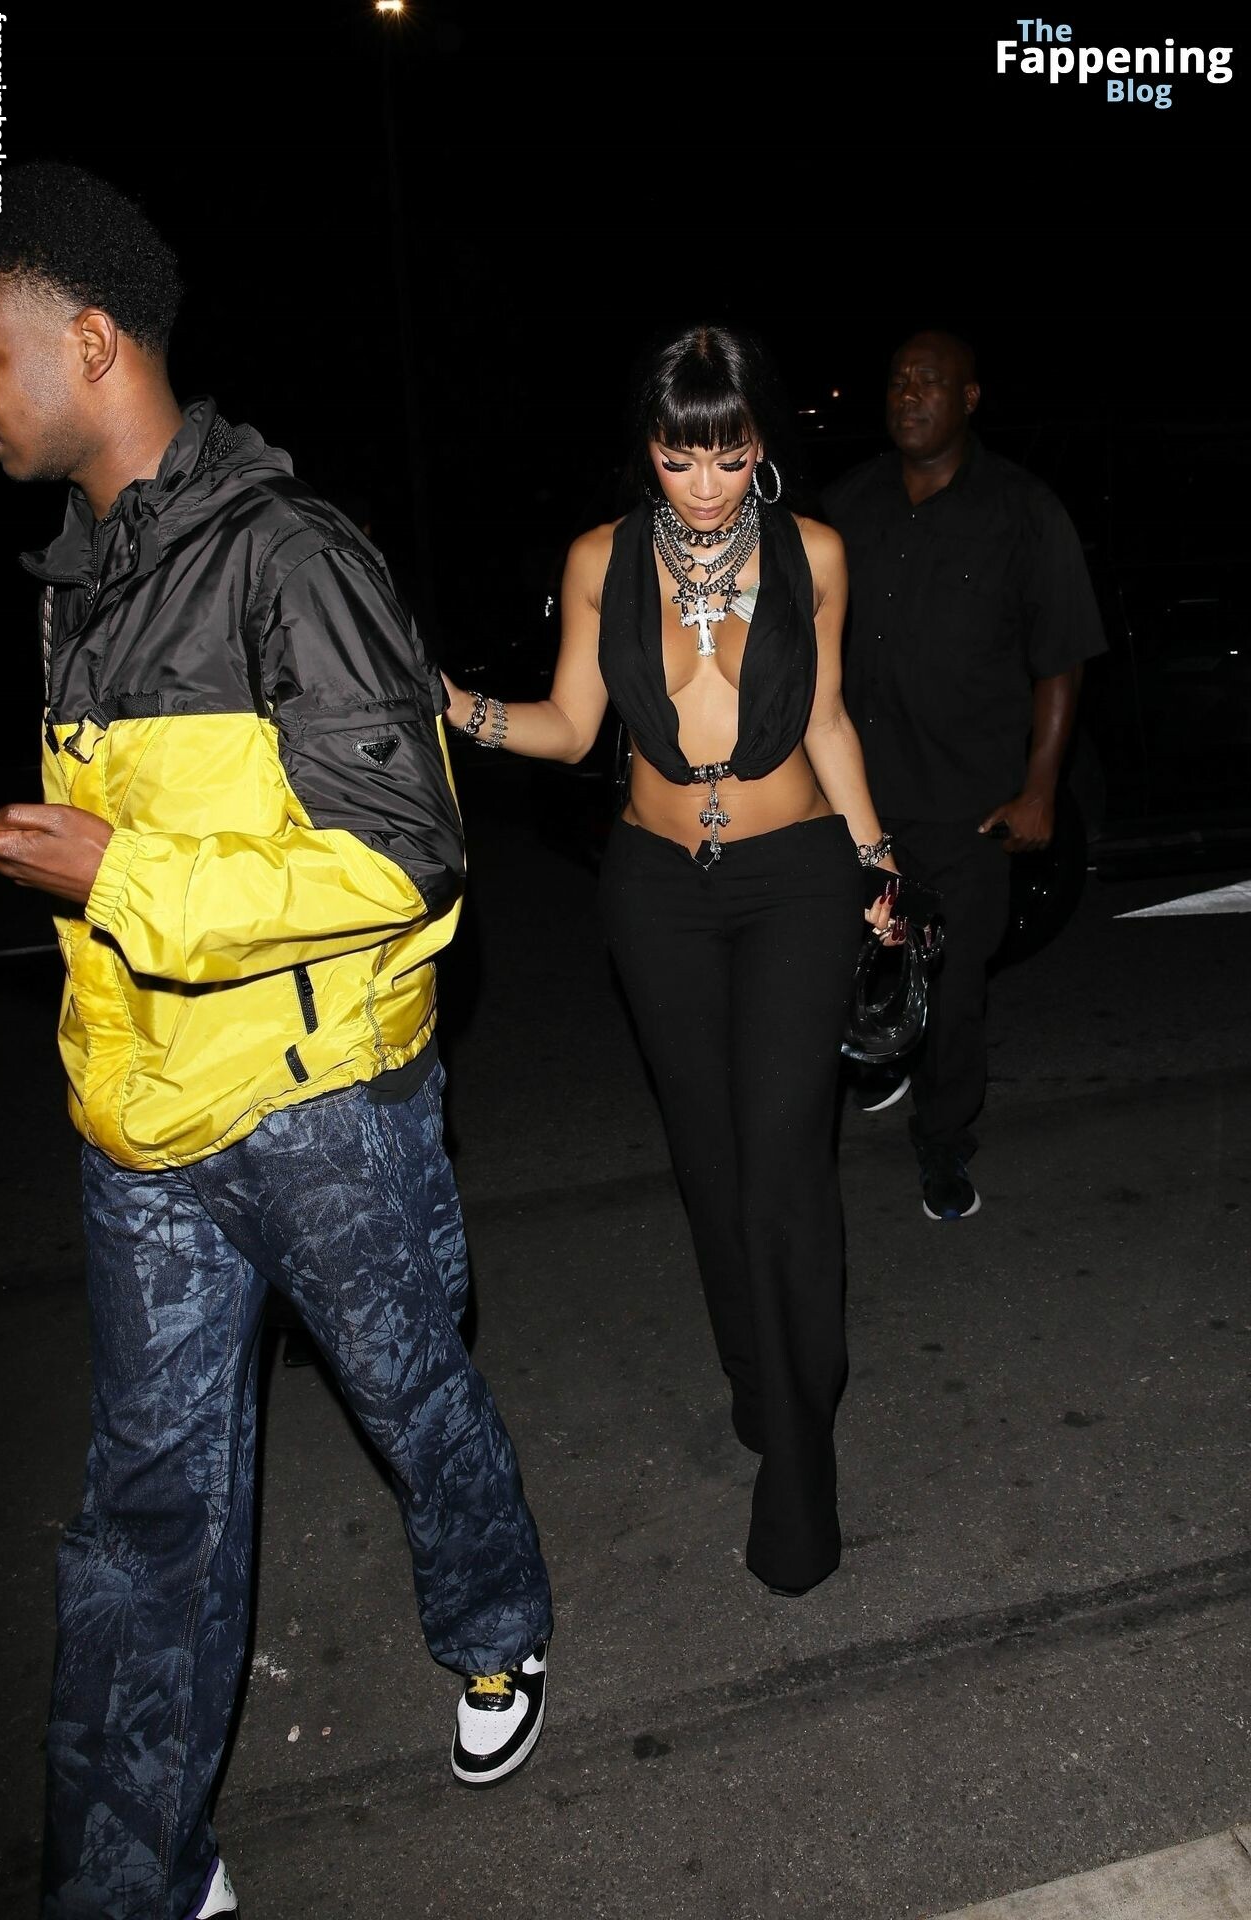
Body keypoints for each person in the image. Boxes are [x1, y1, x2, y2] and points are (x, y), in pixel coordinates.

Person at [0, 163, 552, 1920]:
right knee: (144, 1520)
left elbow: (406, 854)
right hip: (144, 1124)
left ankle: (498, 1624)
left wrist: (117, 871)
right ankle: (134, 1876)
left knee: (412, 1396)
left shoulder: (289, 557)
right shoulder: (76, 577)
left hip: (324, 1116)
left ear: (90, 342)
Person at [442, 322, 899, 1599]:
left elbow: (825, 719)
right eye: (677, 456)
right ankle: (761, 1379)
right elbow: (569, 725)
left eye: (728, 454)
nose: (703, 483)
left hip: (795, 877)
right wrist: (450, 703)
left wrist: (876, 863)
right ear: (646, 447)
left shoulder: (814, 552)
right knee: (709, 1165)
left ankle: (798, 1462)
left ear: (760, 445)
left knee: (782, 1162)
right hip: (654, 892)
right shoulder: (601, 559)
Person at [820, 331, 1107, 1222]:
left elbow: (1062, 658)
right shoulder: (848, 505)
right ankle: (880, 1057)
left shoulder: (1024, 511)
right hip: (854, 797)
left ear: (970, 398)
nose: (909, 394)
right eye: (897, 380)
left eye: (930, 382)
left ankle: (943, 1143)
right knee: (832, 962)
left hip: (965, 804)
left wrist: (1040, 788)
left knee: (955, 991)